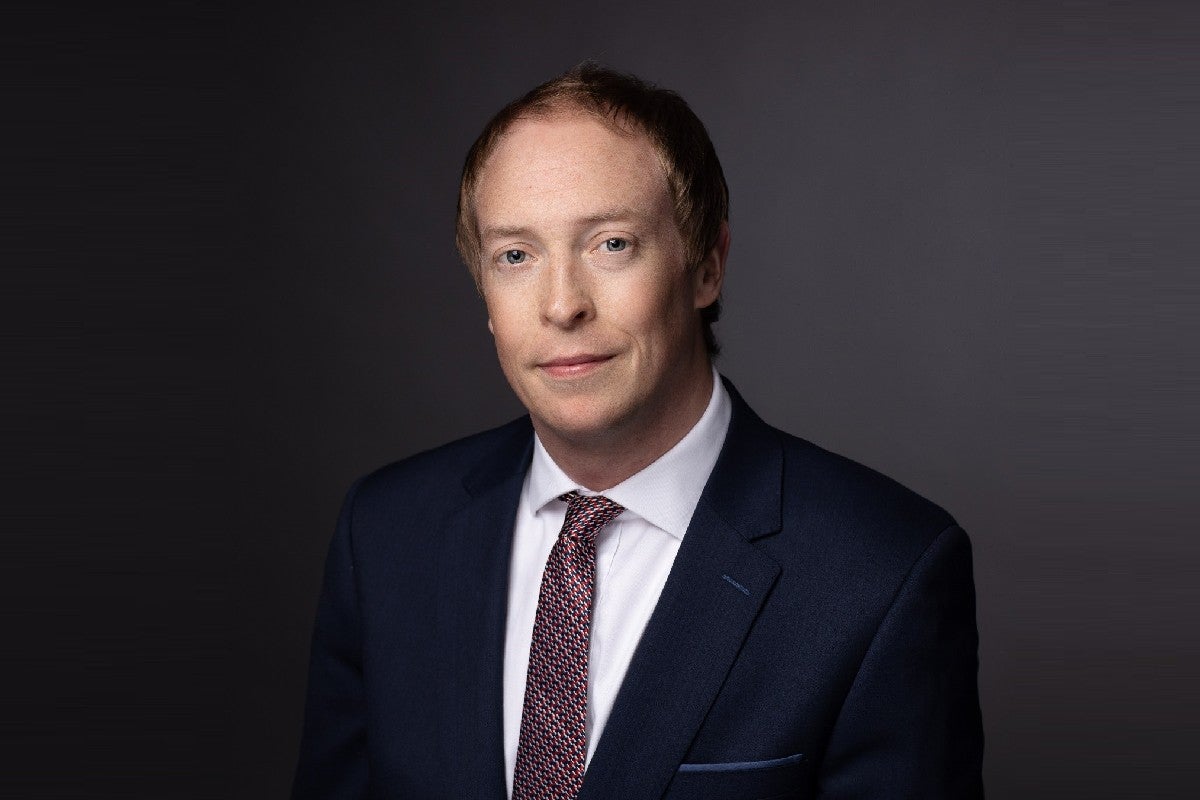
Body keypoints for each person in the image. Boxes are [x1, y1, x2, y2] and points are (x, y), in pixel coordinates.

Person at [293, 63, 984, 800]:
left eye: (612, 244)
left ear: (706, 267)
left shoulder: (882, 571)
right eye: (516, 255)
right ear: (486, 295)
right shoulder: (387, 533)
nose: (562, 306)